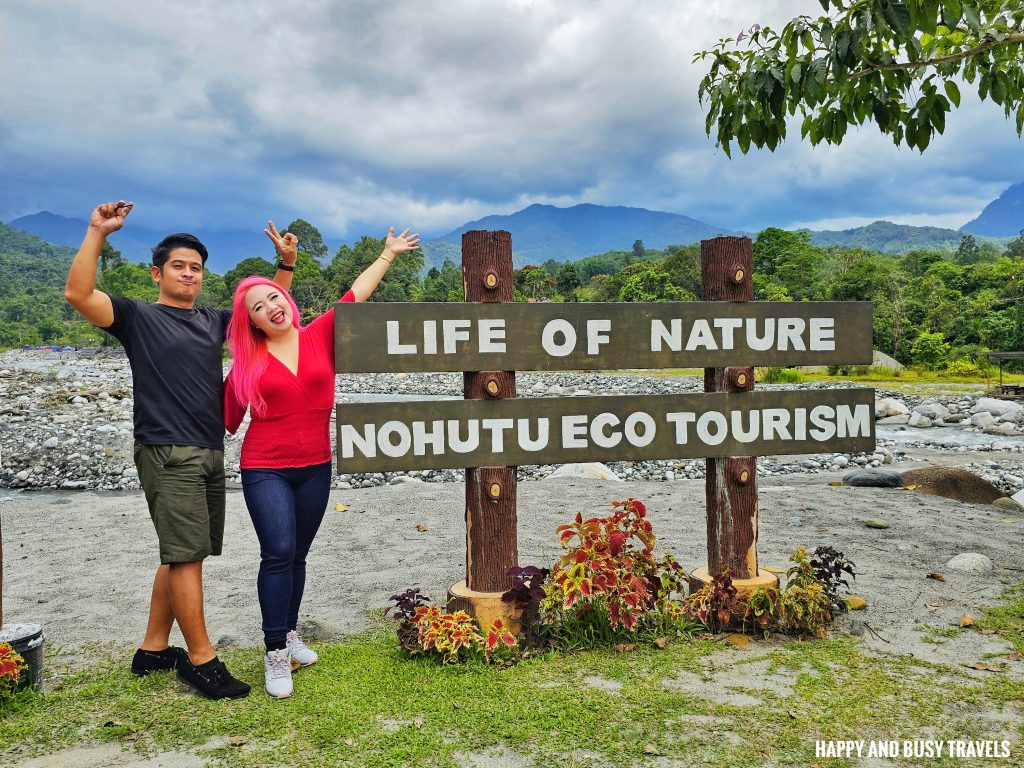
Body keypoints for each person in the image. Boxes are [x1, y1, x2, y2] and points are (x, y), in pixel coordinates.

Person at [64, 200, 297, 700]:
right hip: (167, 452)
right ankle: (201, 660)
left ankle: (152, 649)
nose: (189, 274)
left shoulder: (214, 321)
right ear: (157, 273)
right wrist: (96, 232)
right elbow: (78, 293)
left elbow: (271, 310)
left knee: (181, 555)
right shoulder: (136, 318)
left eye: (196, 268)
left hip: (208, 450)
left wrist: (286, 265)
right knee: (187, 556)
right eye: (179, 266)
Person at [225, 227, 419, 698]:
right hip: (264, 467)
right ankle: (274, 653)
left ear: (286, 302)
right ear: (252, 323)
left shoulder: (320, 334)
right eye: (258, 307)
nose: (271, 306)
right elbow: (224, 420)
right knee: (277, 553)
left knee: (298, 555)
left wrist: (387, 255)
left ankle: (290, 635)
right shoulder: (246, 366)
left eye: (274, 297)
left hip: (316, 465)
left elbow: (357, 292)